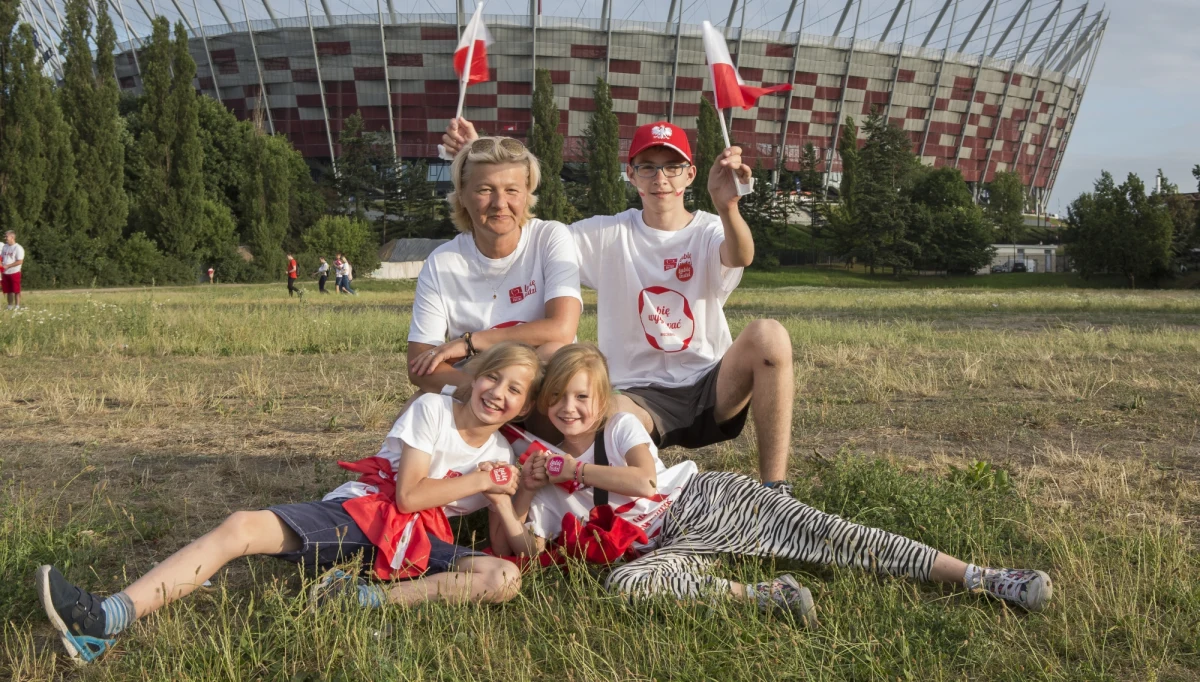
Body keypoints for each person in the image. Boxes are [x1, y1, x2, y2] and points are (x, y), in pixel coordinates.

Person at [36, 342, 543, 665]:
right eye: (491, 377)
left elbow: (511, 545)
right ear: (474, 377)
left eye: (514, 390)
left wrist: (513, 496)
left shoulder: (502, 454)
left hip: (416, 551)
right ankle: (108, 618)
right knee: (240, 527)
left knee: (503, 578)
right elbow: (408, 495)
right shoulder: (434, 410)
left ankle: (358, 600)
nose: (497, 392)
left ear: (524, 407)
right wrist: (478, 477)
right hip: (362, 516)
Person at [492, 345, 1054, 624]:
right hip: (661, 546)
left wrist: (577, 471)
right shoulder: (540, 468)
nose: (570, 409)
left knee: (829, 534)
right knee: (627, 585)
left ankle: (982, 577)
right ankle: (767, 597)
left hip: (699, 500)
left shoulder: (617, 426)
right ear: (543, 405)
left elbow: (642, 480)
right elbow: (519, 547)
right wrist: (519, 491)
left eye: (582, 398)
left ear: (602, 400)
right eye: (558, 399)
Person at [442, 119, 793, 490]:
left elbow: (741, 255)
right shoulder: (607, 233)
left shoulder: (708, 229)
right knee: (598, 413)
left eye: (672, 167)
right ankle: (568, 499)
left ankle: (776, 487)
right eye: (648, 167)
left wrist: (729, 207)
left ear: (690, 174)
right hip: (636, 395)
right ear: (631, 175)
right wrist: (485, 161)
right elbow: (527, 235)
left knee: (769, 335)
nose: (661, 179)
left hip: (709, 382)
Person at [405, 135, 581, 399]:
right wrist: (485, 393)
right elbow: (419, 365)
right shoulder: (442, 261)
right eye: (485, 190)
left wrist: (470, 342)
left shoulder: (550, 238)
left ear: (526, 195)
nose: (500, 203)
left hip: (543, 390)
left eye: (512, 190)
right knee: (419, 406)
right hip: (475, 386)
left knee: (553, 351)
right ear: (461, 195)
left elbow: (561, 328)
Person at [2, 231, 25, 310]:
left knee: (16, 290)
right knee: (8, 290)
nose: (5, 238)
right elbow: (1, 257)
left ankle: (17, 306)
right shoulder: (5, 247)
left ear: (12, 237)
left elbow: (20, 261)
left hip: (14, 271)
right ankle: (10, 306)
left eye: (6, 237)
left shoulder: (18, 248)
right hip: (5, 272)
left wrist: (8, 266)